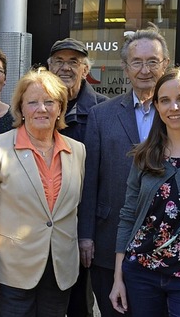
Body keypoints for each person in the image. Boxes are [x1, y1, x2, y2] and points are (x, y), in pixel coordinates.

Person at [80, 24, 180, 317]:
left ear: (165, 64)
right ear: (125, 68)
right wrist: (85, 235)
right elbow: (90, 180)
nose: (144, 69)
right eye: (137, 62)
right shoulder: (101, 115)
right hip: (113, 239)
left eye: (153, 61)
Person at [0, 67, 86, 317]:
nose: (41, 109)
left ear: (60, 108)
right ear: (21, 109)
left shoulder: (77, 151)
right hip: (12, 270)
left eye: (49, 102)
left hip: (59, 270)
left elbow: (75, 210)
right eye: (32, 102)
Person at [109, 67, 180, 316]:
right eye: (165, 100)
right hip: (141, 275)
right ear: (157, 106)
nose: (174, 107)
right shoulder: (145, 155)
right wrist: (118, 277)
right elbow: (128, 215)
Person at [47, 37, 108, 317]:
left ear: (86, 70)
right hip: (43, 228)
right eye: (59, 61)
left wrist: (88, 233)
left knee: (80, 305)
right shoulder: (37, 106)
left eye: (74, 62)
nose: (65, 68)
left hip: (82, 229)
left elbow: (102, 179)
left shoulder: (103, 112)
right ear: (49, 67)